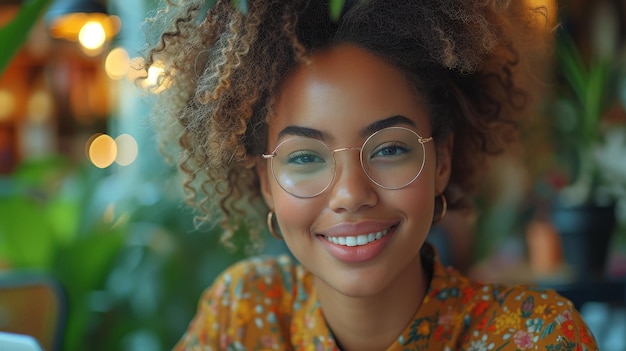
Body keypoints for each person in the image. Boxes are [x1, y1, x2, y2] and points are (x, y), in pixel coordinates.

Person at [141, 0, 599, 350]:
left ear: (441, 162)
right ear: (265, 180)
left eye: (390, 148)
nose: (350, 194)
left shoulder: (537, 335)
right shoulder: (241, 315)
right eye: (304, 157)